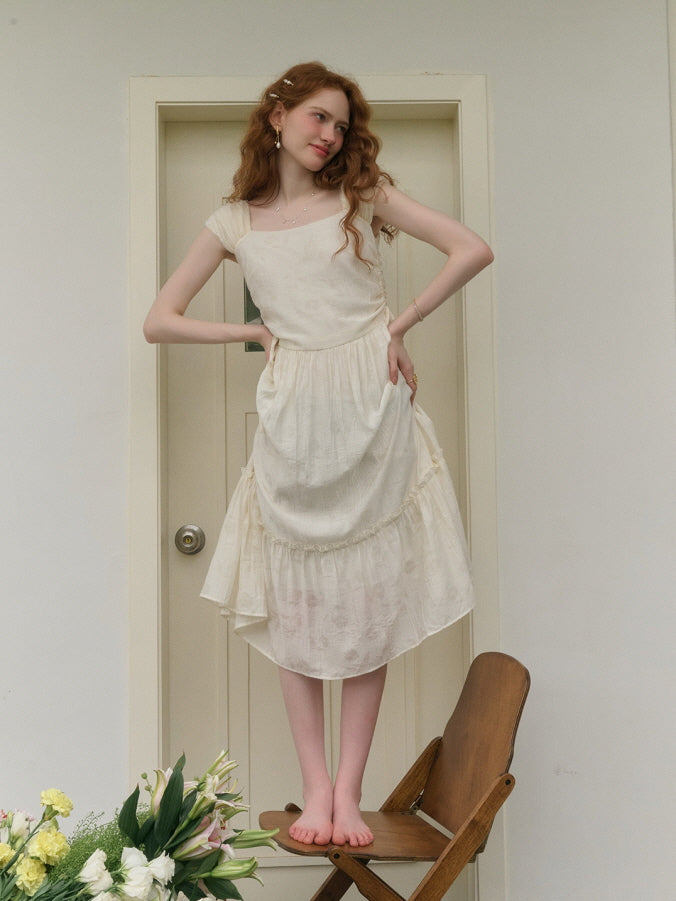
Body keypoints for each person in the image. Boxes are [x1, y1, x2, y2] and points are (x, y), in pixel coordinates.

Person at [144, 61, 493, 849]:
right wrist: (252, 332)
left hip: (371, 403)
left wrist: (399, 327)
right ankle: (311, 787)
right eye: (317, 118)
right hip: (294, 412)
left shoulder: (360, 194)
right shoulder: (233, 221)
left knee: (368, 602)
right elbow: (159, 319)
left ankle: (348, 791)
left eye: (340, 123)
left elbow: (470, 248)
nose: (330, 134)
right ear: (278, 115)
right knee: (294, 602)